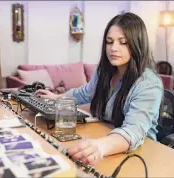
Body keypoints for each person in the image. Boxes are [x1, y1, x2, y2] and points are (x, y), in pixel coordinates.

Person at [34, 12, 163, 165]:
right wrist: (56, 98)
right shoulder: (104, 71)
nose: (113, 48)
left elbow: (133, 131)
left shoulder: (148, 84)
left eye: (123, 42)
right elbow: (85, 93)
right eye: (109, 42)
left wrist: (101, 146)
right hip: (110, 141)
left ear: (137, 44)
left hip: (140, 153)